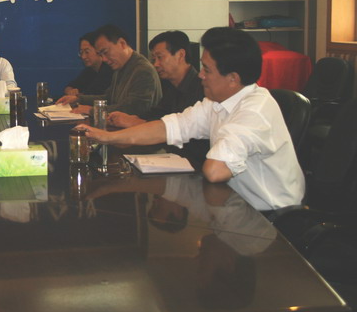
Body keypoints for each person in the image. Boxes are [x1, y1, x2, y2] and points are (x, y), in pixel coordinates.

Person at [76, 26, 305, 212]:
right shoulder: (216, 101)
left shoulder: (253, 112)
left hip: (270, 215)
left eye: (207, 69)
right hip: (234, 202)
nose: (201, 75)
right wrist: (105, 137)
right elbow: (168, 127)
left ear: (233, 78)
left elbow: (215, 171)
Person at [57, 24, 161, 117]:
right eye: (100, 54)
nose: (104, 59)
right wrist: (78, 99)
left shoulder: (142, 70)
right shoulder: (120, 67)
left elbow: (134, 109)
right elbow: (110, 98)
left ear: (122, 43)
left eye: (105, 52)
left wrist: (92, 110)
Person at [108, 30, 204, 128]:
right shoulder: (170, 85)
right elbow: (157, 114)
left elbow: (182, 129)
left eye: (160, 57)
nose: (156, 64)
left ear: (180, 54)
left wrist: (135, 122)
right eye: (154, 59)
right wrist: (131, 118)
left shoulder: (202, 89)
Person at [63, 31, 112, 96]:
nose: (83, 57)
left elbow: (92, 95)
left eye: (87, 52)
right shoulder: (90, 70)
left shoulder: (108, 69)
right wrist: (70, 91)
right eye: (81, 52)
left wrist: (77, 97)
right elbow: (69, 87)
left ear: (98, 50)